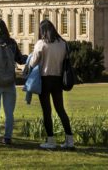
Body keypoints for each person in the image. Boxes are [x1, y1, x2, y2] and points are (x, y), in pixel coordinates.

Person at [29, 19, 74, 149]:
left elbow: (33, 63)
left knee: (46, 111)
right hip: (58, 79)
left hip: (45, 79)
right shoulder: (63, 44)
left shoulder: (41, 44)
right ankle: (69, 140)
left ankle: (51, 140)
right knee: (60, 110)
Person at [0, 19, 27, 145]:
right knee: (9, 112)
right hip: (9, 82)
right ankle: (8, 137)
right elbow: (20, 60)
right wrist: (33, 56)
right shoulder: (12, 43)